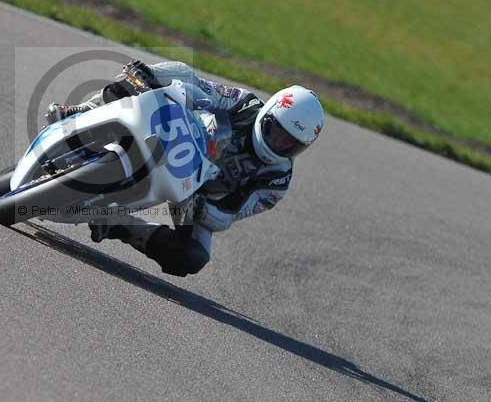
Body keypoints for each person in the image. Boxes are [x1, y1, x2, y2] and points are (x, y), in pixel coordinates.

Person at [46, 60, 324, 277]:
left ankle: (119, 225)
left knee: (193, 256)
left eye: (291, 144)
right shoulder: (245, 104)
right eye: (277, 132)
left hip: (195, 195)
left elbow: (228, 216)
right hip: (182, 142)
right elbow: (199, 86)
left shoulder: (277, 180)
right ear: (269, 112)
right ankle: (82, 112)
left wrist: (203, 207)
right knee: (153, 79)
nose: (279, 144)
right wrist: (152, 78)